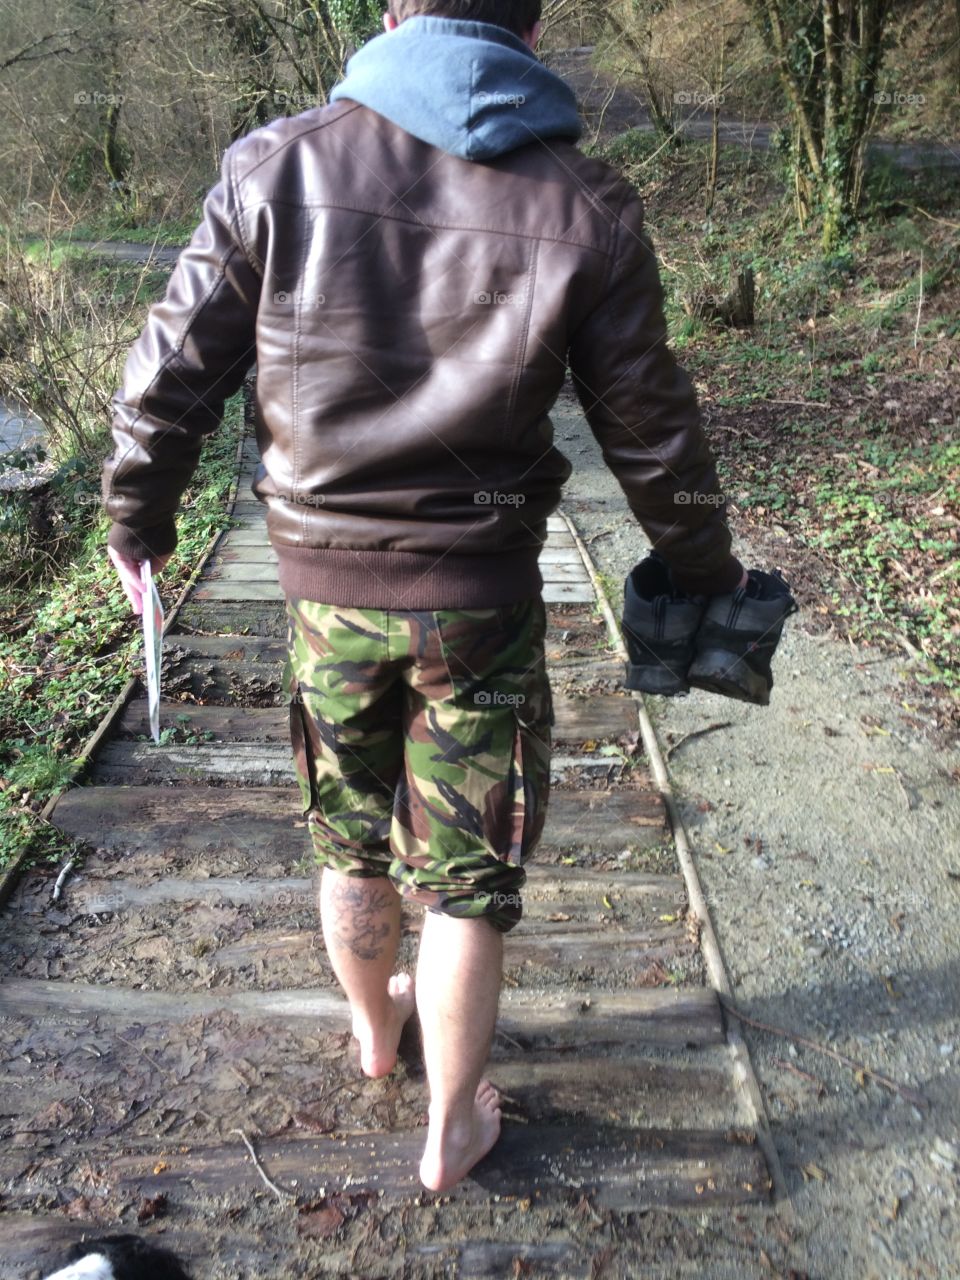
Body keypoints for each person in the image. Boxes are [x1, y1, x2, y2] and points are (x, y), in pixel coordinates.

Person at [103, 0, 746, 1193]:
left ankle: (370, 1035)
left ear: (395, 13)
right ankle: (452, 1121)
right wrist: (703, 576)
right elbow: (653, 432)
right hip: (481, 598)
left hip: (320, 592)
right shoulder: (585, 200)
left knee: (347, 833)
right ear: (532, 29)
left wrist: (135, 517)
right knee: (468, 877)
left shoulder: (278, 163)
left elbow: (169, 373)